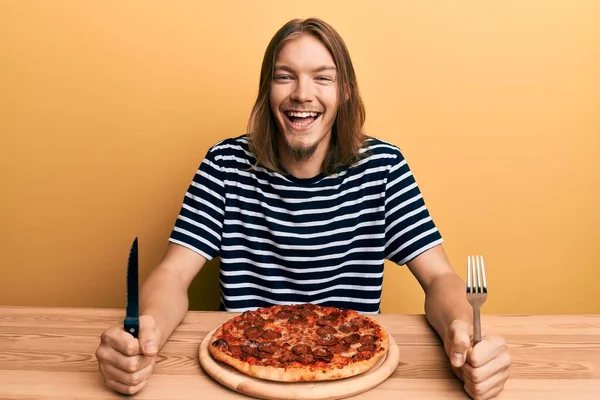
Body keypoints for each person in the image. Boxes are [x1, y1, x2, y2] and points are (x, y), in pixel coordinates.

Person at [95, 17, 511, 399]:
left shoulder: (383, 168)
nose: (302, 94)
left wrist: (462, 330)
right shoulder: (224, 165)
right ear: (267, 89)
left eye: (322, 78)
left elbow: (440, 277)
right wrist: (145, 331)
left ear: (344, 91)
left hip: (357, 379)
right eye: (284, 76)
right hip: (240, 380)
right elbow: (171, 274)